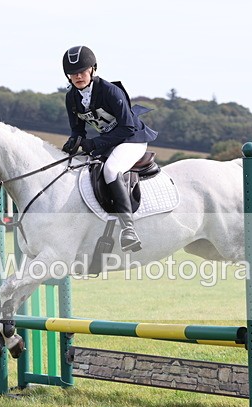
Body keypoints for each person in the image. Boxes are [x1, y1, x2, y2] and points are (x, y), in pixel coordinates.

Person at [60, 45, 157, 252]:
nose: (78, 76)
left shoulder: (111, 92)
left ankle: (128, 229)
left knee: (111, 170)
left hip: (132, 139)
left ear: (93, 69)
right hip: (110, 141)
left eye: (82, 71)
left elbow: (127, 127)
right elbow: (78, 130)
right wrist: (72, 143)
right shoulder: (71, 98)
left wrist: (95, 144)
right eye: (72, 73)